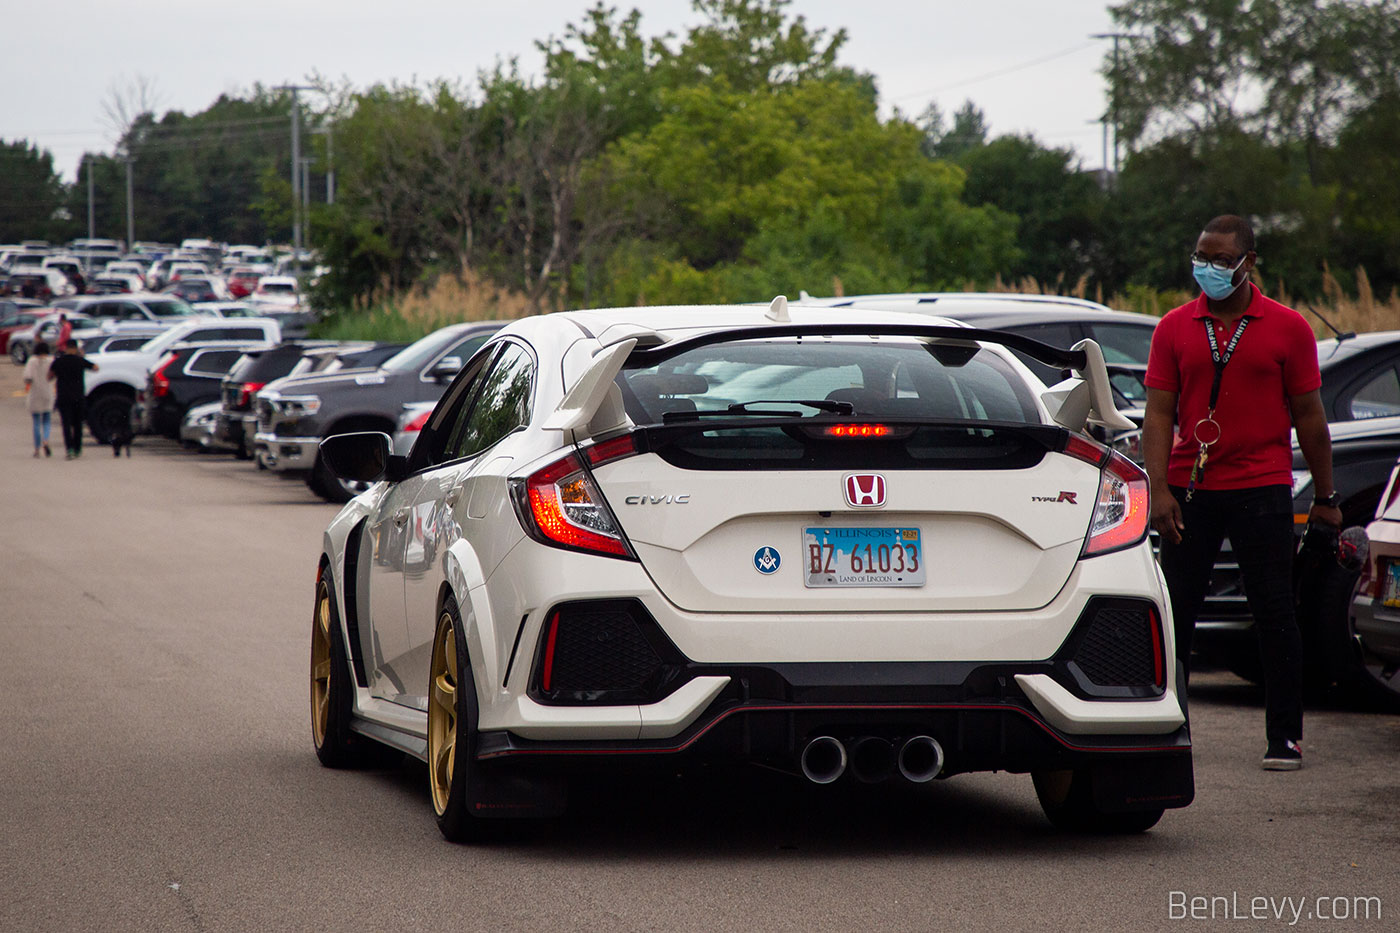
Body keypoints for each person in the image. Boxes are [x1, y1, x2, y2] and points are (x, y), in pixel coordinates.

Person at [1143, 214, 1340, 772]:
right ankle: (1167, 725)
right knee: (1176, 611)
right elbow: (1157, 416)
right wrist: (1158, 490)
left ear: (1248, 263)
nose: (1206, 267)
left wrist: (1326, 496)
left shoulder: (1287, 328)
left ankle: (1286, 737)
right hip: (1191, 488)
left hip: (1262, 489)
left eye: (1221, 259)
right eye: (1201, 255)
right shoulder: (1175, 327)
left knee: (1275, 611)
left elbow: (1310, 417)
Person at [49, 338, 98, 459]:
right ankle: (77, 449)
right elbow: (96, 367)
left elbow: (49, 377)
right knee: (77, 424)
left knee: (66, 424)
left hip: (63, 397)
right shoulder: (80, 360)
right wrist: (81, 355)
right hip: (78, 397)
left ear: (66, 347)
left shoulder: (59, 361)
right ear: (76, 348)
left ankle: (69, 449)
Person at [22, 340, 55, 458]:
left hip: (35, 393)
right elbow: (53, 376)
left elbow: (27, 377)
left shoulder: (32, 361)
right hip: (47, 393)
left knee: (36, 422)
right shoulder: (51, 360)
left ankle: (37, 449)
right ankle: (45, 440)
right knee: (46, 420)